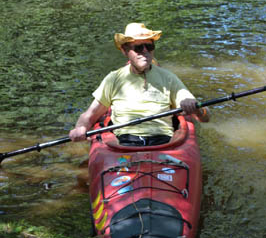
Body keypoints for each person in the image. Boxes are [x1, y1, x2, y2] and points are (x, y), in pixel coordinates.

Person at [69, 22, 209, 146]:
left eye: (149, 46)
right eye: (138, 48)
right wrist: (80, 128)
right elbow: (89, 115)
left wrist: (196, 108)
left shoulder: (169, 78)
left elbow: (205, 117)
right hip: (124, 141)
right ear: (125, 51)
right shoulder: (113, 79)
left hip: (164, 140)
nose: (145, 52)